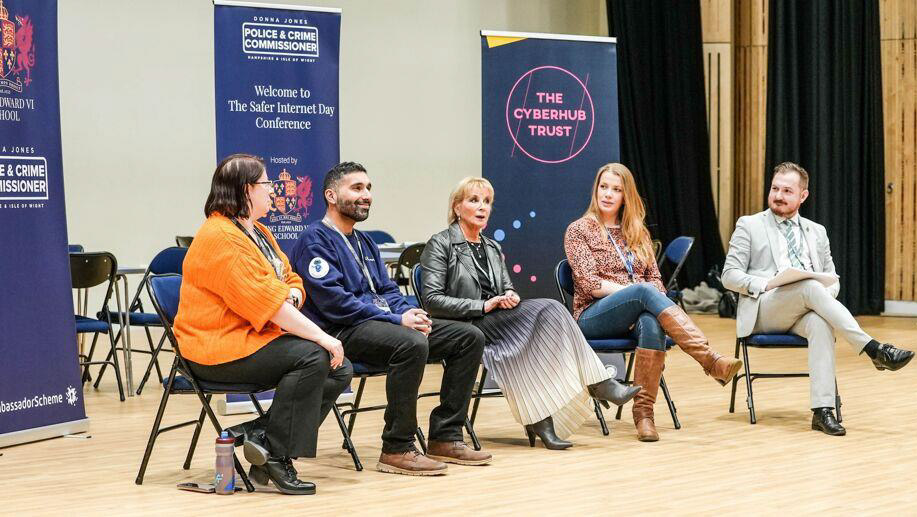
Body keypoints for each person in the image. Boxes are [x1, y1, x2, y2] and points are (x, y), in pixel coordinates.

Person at [291, 161, 491, 476]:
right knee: (410, 343)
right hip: (342, 332)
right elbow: (336, 304)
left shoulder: (366, 241)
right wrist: (396, 320)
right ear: (331, 195)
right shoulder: (314, 239)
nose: (366, 195)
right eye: (357, 188)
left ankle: (445, 436)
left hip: (380, 326)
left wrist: (409, 312)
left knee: (468, 337)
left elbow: (387, 289)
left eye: (368, 188)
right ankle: (397, 447)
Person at [174, 154, 353, 495]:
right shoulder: (222, 238)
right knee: (315, 356)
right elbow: (271, 305)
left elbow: (291, 279)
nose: (274, 190)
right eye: (267, 184)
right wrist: (323, 336)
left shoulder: (258, 231)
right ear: (246, 190)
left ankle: (262, 437)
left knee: (339, 368)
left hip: (250, 338)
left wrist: (292, 296)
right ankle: (277, 456)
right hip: (215, 349)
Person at [419, 177, 640, 450]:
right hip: (467, 323)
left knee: (549, 317)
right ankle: (597, 383)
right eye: (473, 200)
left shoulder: (491, 246)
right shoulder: (440, 244)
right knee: (550, 310)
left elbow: (505, 287)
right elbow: (432, 301)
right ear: (456, 207)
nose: (482, 207)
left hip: (497, 318)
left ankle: (544, 418)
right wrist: (482, 305)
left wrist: (510, 296)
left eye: (487, 202)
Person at [722, 161, 914, 436]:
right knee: (810, 286)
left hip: (804, 308)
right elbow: (729, 276)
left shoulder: (817, 231)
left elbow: (832, 279)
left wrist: (821, 294)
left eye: (787, 191)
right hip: (765, 308)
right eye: (775, 188)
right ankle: (874, 349)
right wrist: (766, 284)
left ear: (803, 196)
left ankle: (822, 411)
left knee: (820, 321)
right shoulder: (749, 225)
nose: (778, 195)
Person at [564, 163, 743, 442]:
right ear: (595, 189)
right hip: (592, 316)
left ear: (626, 196)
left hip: (636, 314)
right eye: (604, 187)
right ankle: (709, 359)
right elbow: (591, 285)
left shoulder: (637, 231)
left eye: (616, 189)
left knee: (651, 321)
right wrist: (635, 293)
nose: (608, 194)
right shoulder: (579, 230)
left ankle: (644, 415)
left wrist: (643, 297)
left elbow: (657, 282)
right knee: (644, 292)